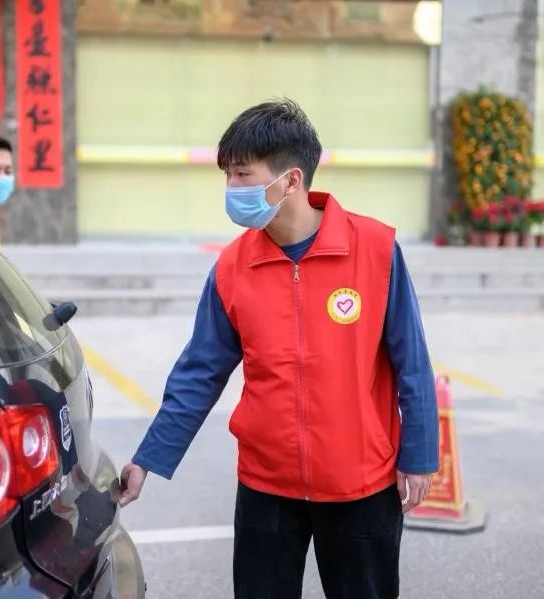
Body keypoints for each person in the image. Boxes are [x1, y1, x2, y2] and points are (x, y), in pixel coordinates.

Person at [118, 99, 439, 599]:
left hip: (361, 483)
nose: (231, 188)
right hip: (266, 484)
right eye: (227, 175)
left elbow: (412, 364)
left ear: (291, 180)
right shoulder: (232, 267)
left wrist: (418, 455)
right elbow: (200, 371)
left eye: (242, 175)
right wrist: (149, 457)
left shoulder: (374, 250)